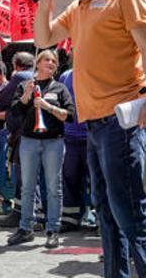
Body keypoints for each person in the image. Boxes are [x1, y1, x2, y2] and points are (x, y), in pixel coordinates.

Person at [34, 0, 146, 278]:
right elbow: (43, 39)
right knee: (106, 213)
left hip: (119, 121)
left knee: (129, 212)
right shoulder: (78, 5)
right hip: (92, 125)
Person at [7, 50, 75, 249]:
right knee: (27, 187)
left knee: (54, 187)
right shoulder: (24, 85)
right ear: (37, 63)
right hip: (29, 141)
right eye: (47, 59)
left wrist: (48, 106)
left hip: (53, 142)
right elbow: (15, 112)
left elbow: (69, 116)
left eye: (54, 61)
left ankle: (53, 229)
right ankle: (25, 228)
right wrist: (26, 95)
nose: (51, 63)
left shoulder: (60, 88)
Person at [0, 52, 34, 227]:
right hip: (32, 133)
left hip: (22, 133)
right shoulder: (36, 76)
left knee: (22, 177)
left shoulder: (20, 76)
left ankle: (20, 214)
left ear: (16, 65)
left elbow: (1, 98)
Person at [58, 63, 90, 233]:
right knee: (69, 178)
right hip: (69, 136)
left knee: (97, 181)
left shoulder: (95, 72)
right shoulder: (65, 76)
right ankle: (70, 219)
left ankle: (103, 221)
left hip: (91, 136)